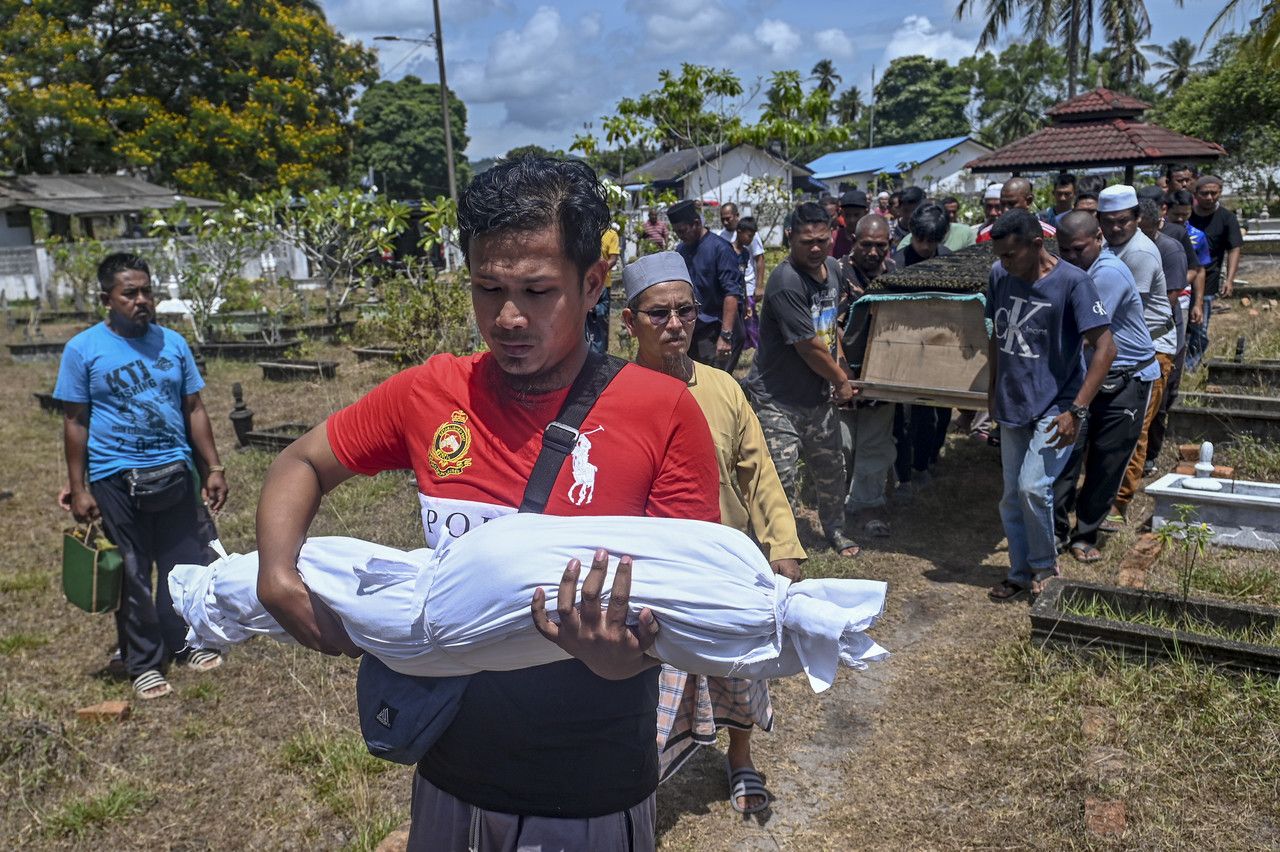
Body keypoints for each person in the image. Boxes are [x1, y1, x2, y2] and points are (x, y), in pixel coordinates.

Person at [254, 155, 721, 851]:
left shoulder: (662, 412)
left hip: (591, 786)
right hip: (450, 772)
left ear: (593, 284)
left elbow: (690, 607)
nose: (507, 317)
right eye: (487, 287)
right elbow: (302, 462)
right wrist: (275, 571)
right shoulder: (433, 393)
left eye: (537, 291)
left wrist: (623, 657)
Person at [620, 251, 806, 816]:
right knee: (646, 682)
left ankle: (740, 757)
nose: (675, 324)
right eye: (659, 314)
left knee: (739, 668)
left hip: (725, 560)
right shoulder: (613, 394)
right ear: (629, 322)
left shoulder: (723, 388)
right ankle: (638, 786)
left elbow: (758, 472)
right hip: (652, 572)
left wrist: (783, 547)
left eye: (684, 310)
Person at [55, 252, 228, 700]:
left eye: (147, 291)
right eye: (129, 293)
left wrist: (212, 467)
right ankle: (144, 662)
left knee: (182, 565)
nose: (142, 300)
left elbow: (193, 408)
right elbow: (75, 420)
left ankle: (185, 642)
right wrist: (79, 487)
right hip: (115, 476)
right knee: (131, 572)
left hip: (174, 470)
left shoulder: (173, 344)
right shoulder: (83, 350)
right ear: (106, 299)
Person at [984, 210, 1115, 602]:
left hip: (1057, 406)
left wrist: (1077, 409)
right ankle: (1019, 572)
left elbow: (1106, 348)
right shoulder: (999, 275)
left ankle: (1044, 566)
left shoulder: (1074, 283)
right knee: (1011, 497)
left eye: (1011, 255)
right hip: (1012, 402)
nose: (1004, 263)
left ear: (1037, 244)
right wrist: (992, 390)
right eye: (1000, 255)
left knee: (1033, 486)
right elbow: (996, 336)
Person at [745, 201, 861, 559]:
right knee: (781, 476)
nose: (815, 248)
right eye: (806, 242)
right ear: (789, 238)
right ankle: (777, 546)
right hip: (776, 398)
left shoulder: (833, 269)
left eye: (822, 240)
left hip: (816, 394)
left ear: (832, 237)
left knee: (831, 467)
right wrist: (841, 380)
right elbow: (808, 346)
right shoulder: (786, 283)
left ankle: (836, 530)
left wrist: (841, 366)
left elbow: (828, 325)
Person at [1052, 212, 1159, 561]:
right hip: (1087, 374)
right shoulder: (1073, 272)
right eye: (1065, 250)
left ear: (1098, 238)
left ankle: (1085, 534)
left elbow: (1085, 334)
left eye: (1079, 249)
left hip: (1124, 379)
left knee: (1106, 461)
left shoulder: (1107, 273)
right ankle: (1055, 532)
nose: (1071, 257)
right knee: (1066, 455)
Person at [1096, 186, 1175, 530]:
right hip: (1117, 349)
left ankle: (1119, 502)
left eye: (1123, 221)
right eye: (1109, 221)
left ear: (1137, 218)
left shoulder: (1140, 252)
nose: (1116, 228)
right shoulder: (1108, 246)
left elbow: (1127, 312)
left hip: (1150, 349)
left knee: (1135, 427)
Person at [837, 215, 899, 537]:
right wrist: (841, 373)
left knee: (875, 444)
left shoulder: (897, 275)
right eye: (867, 245)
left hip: (883, 374)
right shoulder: (837, 273)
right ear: (854, 241)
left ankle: (868, 505)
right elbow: (827, 326)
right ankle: (837, 503)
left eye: (880, 246)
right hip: (841, 373)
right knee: (843, 443)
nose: (873, 252)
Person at [890, 203, 955, 502]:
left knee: (936, 413)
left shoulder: (950, 262)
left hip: (940, 350)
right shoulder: (897, 263)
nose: (926, 247)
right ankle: (904, 472)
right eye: (920, 239)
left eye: (932, 241)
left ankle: (925, 462)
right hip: (903, 350)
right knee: (904, 418)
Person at [1144, 195, 1202, 470]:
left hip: (1164, 332)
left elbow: (1174, 291)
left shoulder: (1171, 244)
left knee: (1162, 395)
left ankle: (1150, 454)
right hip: (1135, 333)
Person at [670, 199, 745, 372]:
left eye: (683, 231)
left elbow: (731, 293)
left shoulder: (720, 249)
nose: (680, 236)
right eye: (677, 232)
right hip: (691, 329)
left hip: (714, 329)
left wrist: (725, 336)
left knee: (714, 380)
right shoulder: (681, 250)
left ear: (696, 223)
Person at [1186, 175, 1243, 371]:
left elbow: (1234, 248)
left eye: (1214, 193)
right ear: (1196, 194)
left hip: (1208, 279)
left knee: (1199, 327)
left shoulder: (1227, 218)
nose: (1210, 197)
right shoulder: (1185, 215)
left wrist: (1230, 279)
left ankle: (1190, 367)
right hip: (1182, 279)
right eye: (1205, 193)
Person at [978, 178, 1055, 243]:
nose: (1005, 210)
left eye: (1011, 204)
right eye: (1002, 204)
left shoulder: (1048, 234)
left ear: (1029, 201)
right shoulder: (986, 236)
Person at [713, 202, 764, 291]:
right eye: (722, 219)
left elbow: (759, 259)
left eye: (728, 218)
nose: (725, 222)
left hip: (748, 285)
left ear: (736, 215)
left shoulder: (749, 234)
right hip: (728, 286)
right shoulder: (719, 237)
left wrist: (759, 286)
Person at [586, 222, 620, 355]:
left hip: (604, 284)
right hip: (586, 283)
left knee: (600, 318)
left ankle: (601, 353)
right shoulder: (587, 233)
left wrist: (599, 271)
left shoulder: (611, 235)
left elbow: (613, 259)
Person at [733, 216, 765, 349]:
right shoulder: (727, 251)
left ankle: (757, 347)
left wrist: (747, 302)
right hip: (731, 294)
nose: (751, 240)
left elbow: (742, 279)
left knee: (750, 322)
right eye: (749, 236)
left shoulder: (745, 253)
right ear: (739, 231)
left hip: (744, 292)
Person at [832, 189, 869, 258]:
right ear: (842, 213)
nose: (852, 220)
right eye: (847, 215)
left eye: (856, 215)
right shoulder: (833, 238)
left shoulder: (875, 238)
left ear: (865, 213)